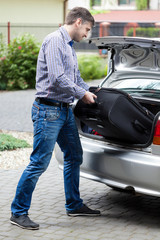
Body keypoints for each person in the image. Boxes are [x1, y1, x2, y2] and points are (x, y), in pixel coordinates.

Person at [10, 7, 101, 230]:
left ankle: (74, 204)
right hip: (47, 112)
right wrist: (82, 94)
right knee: (39, 162)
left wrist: (92, 91)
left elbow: (75, 77)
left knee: (74, 155)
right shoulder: (54, 41)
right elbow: (57, 78)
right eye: (87, 29)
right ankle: (18, 212)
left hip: (64, 111)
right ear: (78, 22)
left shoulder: (69, 47)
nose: (87, 34)